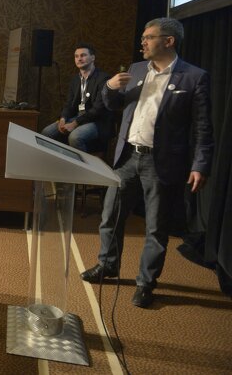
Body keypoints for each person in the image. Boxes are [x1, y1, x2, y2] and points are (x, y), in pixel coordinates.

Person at [81, 18, 214, 309]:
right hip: (127, 156)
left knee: (155, 229)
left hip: (161, 162)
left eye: (149, 37)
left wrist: (200, 165)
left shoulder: (194, 77)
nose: (143, 42)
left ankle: (145, 283)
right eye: (143, 37)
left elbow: (203, 128)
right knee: (110, 217)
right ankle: (108, 266)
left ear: (169, 41)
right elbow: (113, 105)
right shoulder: (136, 69)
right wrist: (110, 88)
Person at [40, 44, 113, 152]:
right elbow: (69, 104)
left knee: (75, 137)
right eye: (76, 56)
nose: (79, 58)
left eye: (83, 55)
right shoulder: (75, 79)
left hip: (97, 121)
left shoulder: (103, 78)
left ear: (93, 58)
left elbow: (98, 109)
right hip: (78, 117)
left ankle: (83, 167)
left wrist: (74, 124)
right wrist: (63, 118)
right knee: (47, 132)